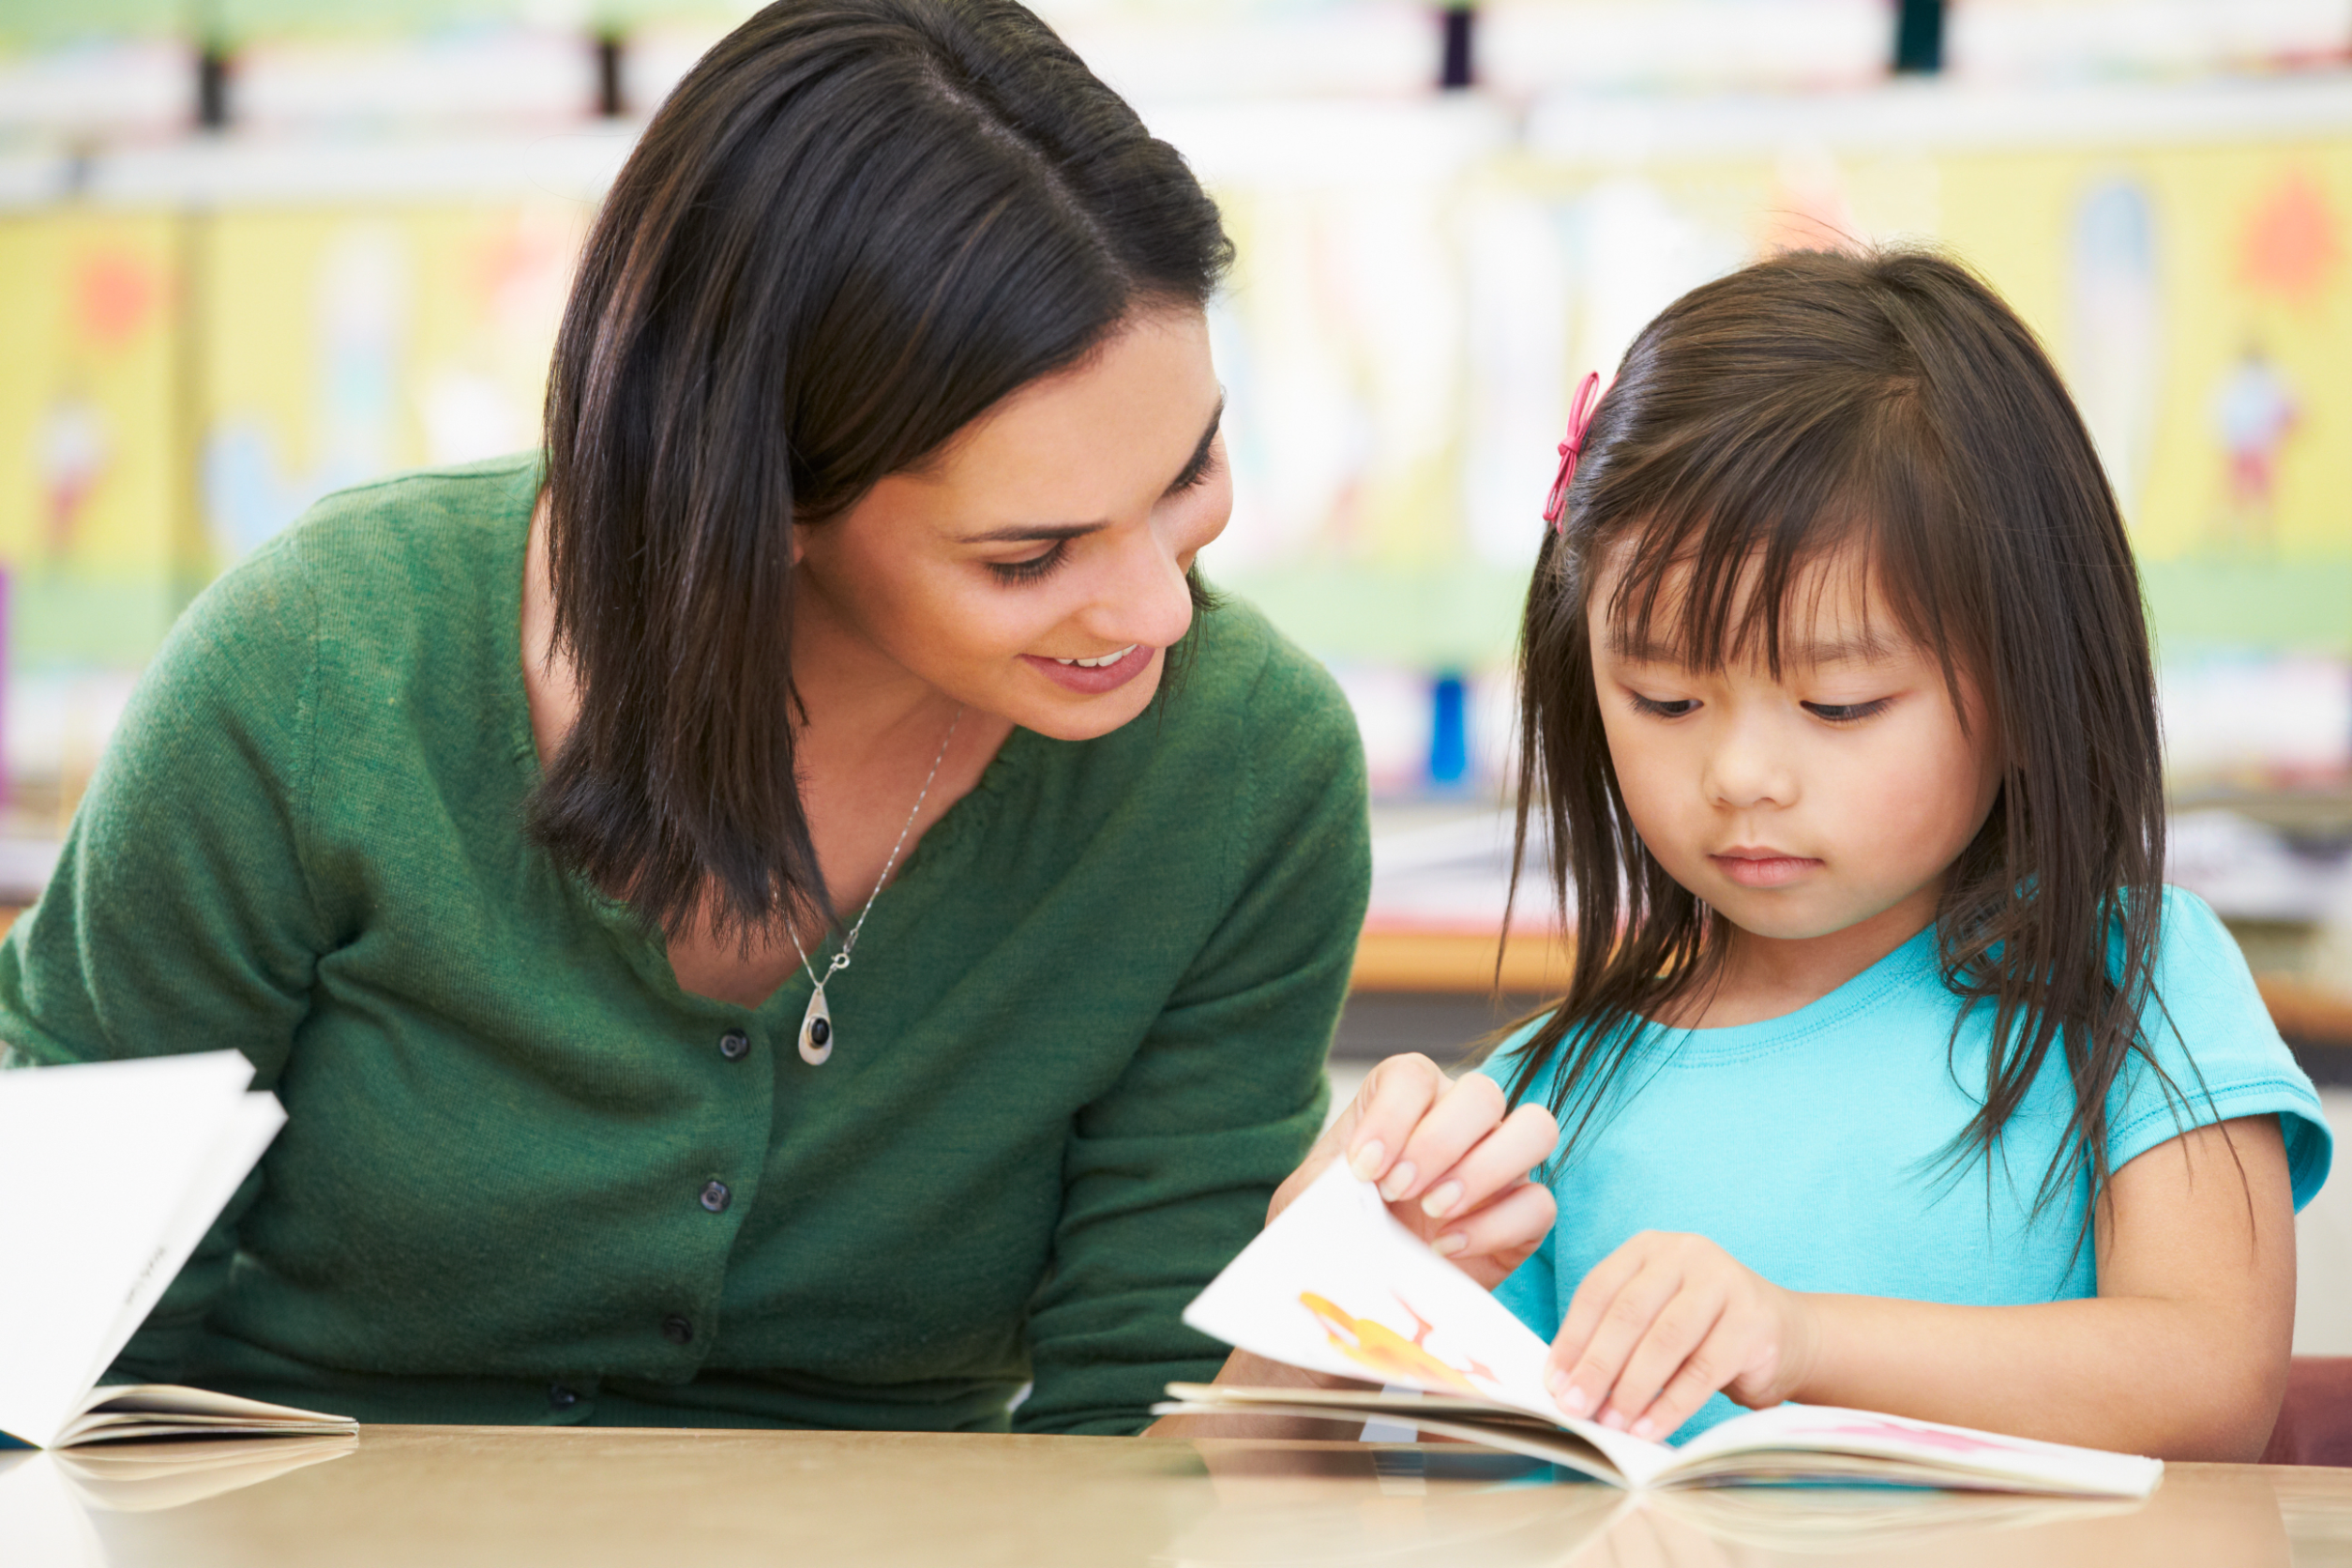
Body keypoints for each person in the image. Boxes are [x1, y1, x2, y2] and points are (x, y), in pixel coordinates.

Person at [0, 0, 1555, 1437]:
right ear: (761, 505)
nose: (1157, 612)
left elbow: (1133, 1438)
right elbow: (49, 1335)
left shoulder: (1239, 765)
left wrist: (1303, 1336)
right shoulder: (326, 660)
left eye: (1190, 477)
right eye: (1030, 555)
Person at [1485, 248, 2330, 1457]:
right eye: (1665, 700)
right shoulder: (1541, 1095)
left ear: (2030, 679)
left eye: (1840, 705)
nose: (1740, 776)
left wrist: (1801, 1341)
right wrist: (1350, 1250)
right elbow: (1429, 1461)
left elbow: (2208, 1382)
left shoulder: (2130, 983)